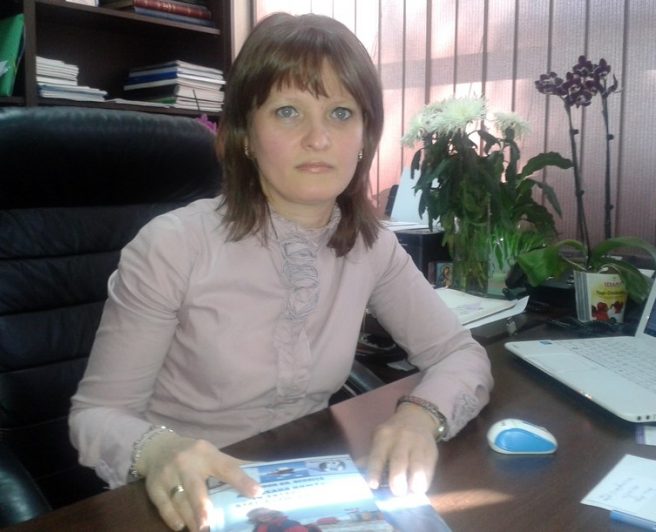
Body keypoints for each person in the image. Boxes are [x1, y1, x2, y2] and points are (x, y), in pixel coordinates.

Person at [69, 12, 493, 532]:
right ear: (246, 134)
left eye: (341, 113)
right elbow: (96, 415)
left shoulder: (371, 245)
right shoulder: (172, 246)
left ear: (365, 135)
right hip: (180, 500)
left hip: (304, 487)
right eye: (288, 111)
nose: (318, 138)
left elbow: (460, 354)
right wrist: (157, 451)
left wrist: (420, 417)